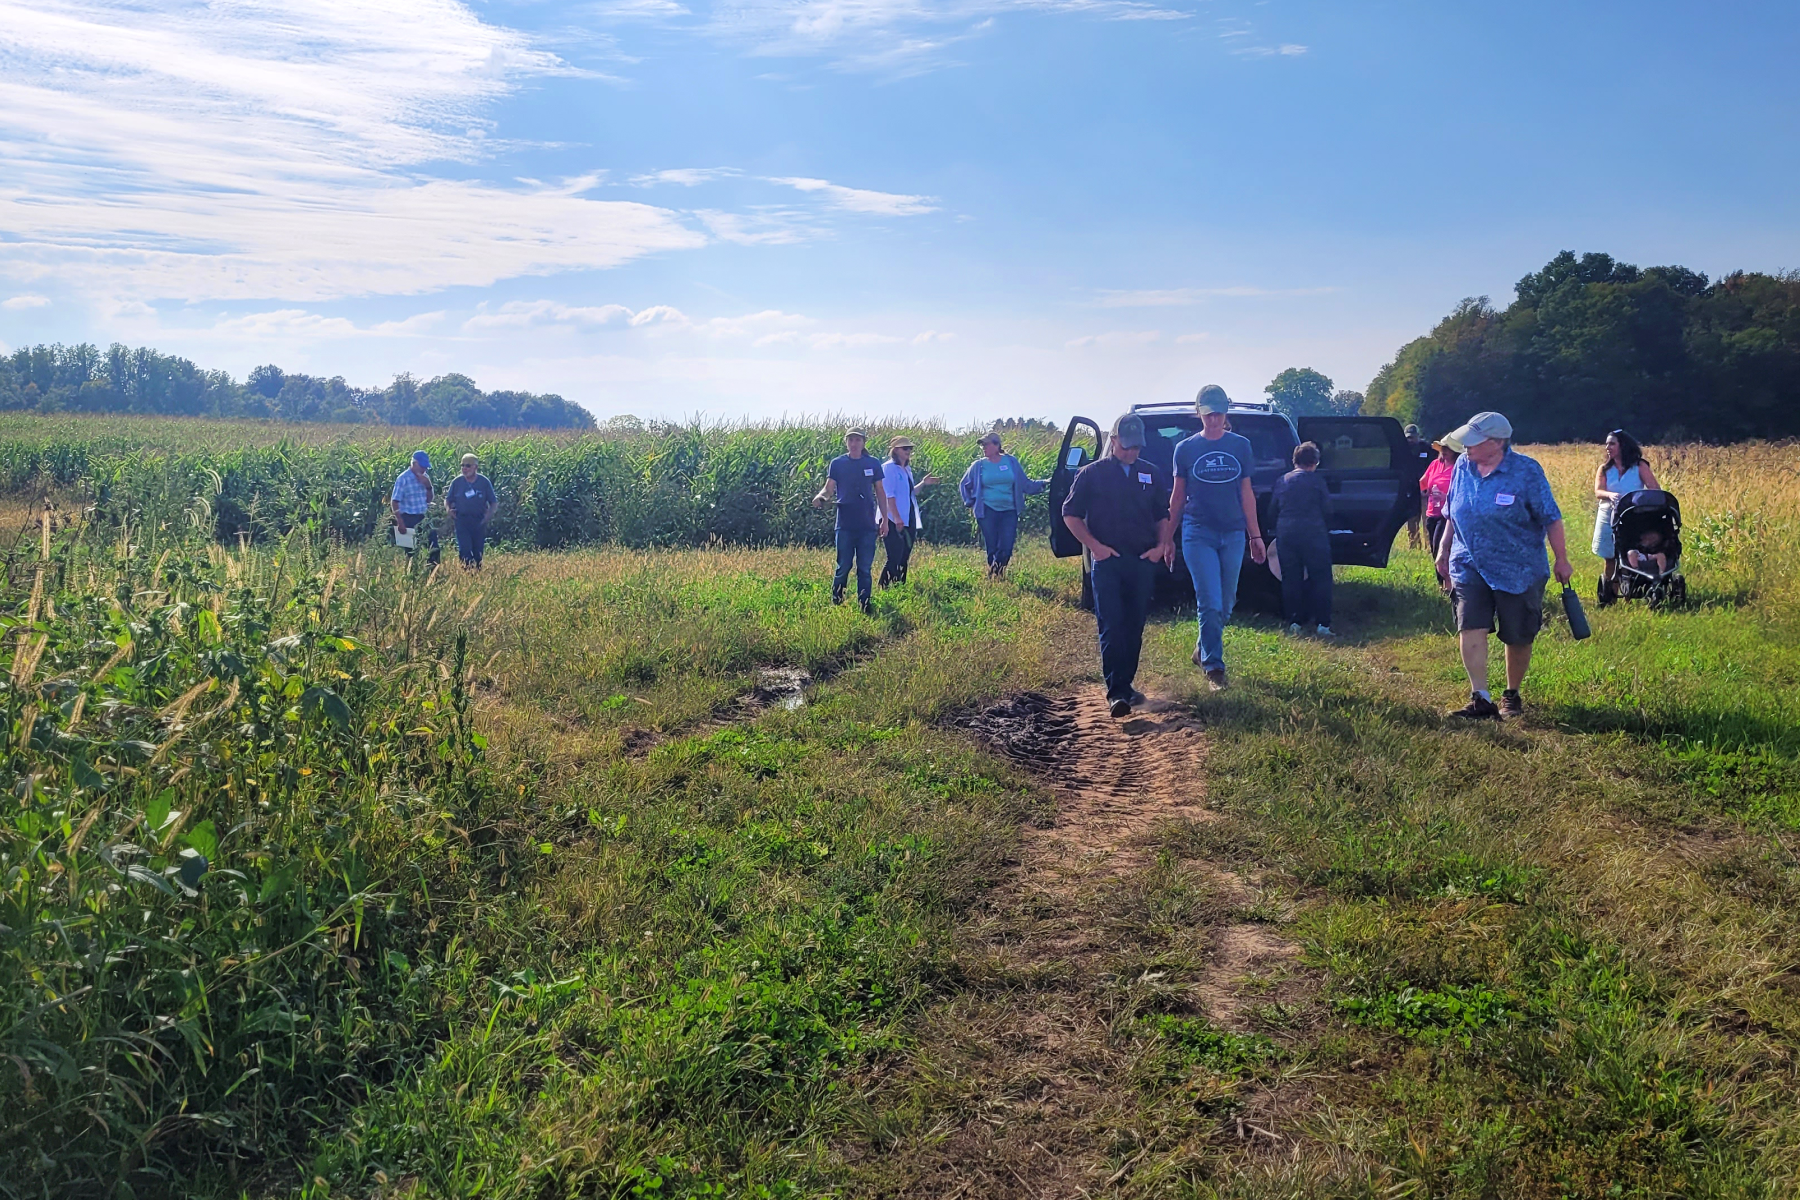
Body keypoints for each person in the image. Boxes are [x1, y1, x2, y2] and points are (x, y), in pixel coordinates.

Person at [1434, 411, 1573, 720]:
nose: (1466, 447)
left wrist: (1562, 558)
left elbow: (1551, 517)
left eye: (1474, 441)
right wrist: (1443, 551)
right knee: (1469, 624)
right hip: (1468, 562)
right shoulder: (1462, 468)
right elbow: (1452, 514)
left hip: (1518, 567)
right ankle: (1480, 698)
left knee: (1518, 634)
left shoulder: (1526, 472)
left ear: (1496, 443)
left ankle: (1511, 694)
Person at [1061, 414, 1172, 719]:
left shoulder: (1151, 473)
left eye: (1136, 448)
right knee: (1111, 625)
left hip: (1141, 561)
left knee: (1134, 626)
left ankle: (1126, 684)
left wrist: (1160, 547)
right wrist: (1095, 546)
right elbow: (1070, 514)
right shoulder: (1091, 474)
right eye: (1126, 447)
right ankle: (1116, 694)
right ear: (1113, 441)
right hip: (1108, 562)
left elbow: (1162, 514)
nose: (1131, 453)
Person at [1167, 385, 1266, 691]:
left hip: (1234, 532)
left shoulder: (1240, 446)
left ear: (1226, 414)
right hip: (1198, 532)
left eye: (1219, 414)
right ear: (1199, 414)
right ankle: (1214, 668)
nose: (1213, 420)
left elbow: (1246, 493)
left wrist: (1255, 535)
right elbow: (1178, 496)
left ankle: (1201, 649)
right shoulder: (1185, 449)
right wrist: (1168, 537)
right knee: (1209, 601)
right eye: (1208, 414)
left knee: (1226, 601)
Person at [813, 429, 888, 614]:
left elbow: (880, 492)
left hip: (867, 524)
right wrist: (821, 497)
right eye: (850, 440)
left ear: (863, 442)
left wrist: (884, 519)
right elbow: (829, 488)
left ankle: (865, 604)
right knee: (843, 565)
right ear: (846, 442)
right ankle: (837, 602)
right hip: (845, 524)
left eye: (857, 439)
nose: (854, 443)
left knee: (864, 567)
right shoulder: (838, 464)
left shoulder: (873, 463)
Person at [958, 432, 1046, 578]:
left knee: (1006, 545)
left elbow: (1025, 483)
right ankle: (996, 576)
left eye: (986, 444)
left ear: (996, 445)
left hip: (1009, 510)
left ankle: (995, 573)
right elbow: (964, 484)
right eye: (982, 445)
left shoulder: (1011, 462)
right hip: (987, 511)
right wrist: (970, 502)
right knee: (992, 545)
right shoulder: (978, 466)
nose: (983, 448)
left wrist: (1044, 483)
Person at [1270, 441, 1335, 637]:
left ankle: (1294, 621)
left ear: (1294, 461)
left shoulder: (1282, 480)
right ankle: (1322, 623)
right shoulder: (1317, 481)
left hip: (1286, 532)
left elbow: (1272, 509)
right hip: (1313, 532)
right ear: (1315, 462)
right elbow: (1328, 509)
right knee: (1321, 578)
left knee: (1290, 578)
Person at [1592, 429, 1660, 603]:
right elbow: (1598, 491)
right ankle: (1610, 595)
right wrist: (1610, 495)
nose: (1608, 447)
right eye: (1607, 444)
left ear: (1623, 446)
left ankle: (1630, 594)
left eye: (1612, 443)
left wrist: (1640, 500)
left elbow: (1654, 489)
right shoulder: (1605, 469)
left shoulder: (1639, 466)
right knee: (1610, 557)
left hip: (1633, 516)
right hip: (1609, 514)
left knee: (1630, 555)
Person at [879, 436, 939, 587]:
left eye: (910, 448)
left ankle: (899, 586)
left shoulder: (906, 469)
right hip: (893, 519)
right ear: (895, 450)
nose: (908, 451)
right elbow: (888, 496)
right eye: (905, 448)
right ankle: (883, 586)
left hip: (909, 517)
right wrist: (897, 518)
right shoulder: (888, 468)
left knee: (904, 555)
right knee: (894, 555)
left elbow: (910, 493)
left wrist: (923, 483)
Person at [445, 452, 498, 569]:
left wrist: (487, 516)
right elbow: (448, 500)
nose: (464, 468)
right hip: (462, 520)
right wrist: (449, 510)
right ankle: (467, 572)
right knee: (464, 549)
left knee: (478, 550)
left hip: (479, 521)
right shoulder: (457, 482)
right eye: (462, 465)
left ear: (475, 467)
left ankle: (477, 574)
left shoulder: (484, 482)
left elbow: (493, 502)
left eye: (468, 466)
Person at [389, 450, 440, 563]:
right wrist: (400, 522)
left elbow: (429, 499)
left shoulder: (426, 477)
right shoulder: (403, 478)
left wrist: (428, 486)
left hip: (423, 518)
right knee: (411, 553)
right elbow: (394, 501)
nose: (424, 469)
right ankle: (412, 576)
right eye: (422, 466)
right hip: (407, 518)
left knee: (434, 548)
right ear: (414, 463)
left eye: (426, 467)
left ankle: (433, 574)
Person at [1420, 435, 1461, 566]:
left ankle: (1447, 582)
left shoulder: (1459, 467)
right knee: (1433, 547)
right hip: (1432, 512)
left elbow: (1463, 491)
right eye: (1443, 447)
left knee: (1440, 547)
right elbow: (1423, 482)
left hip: (1448, 514)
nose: (1444, 450)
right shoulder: (1435, 464)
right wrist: (1423, 490)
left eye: (1448, 448)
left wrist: (1446, 496)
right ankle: (1442, 583)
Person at [1403, 423, 1433, 548]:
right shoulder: (1402, 449)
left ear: (1418, 436)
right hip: (1410, 488)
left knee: (1427, 517)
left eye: (1413, 437)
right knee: (1412, 518)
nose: (1411, 440)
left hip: (1426, 488)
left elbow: (1434, 465)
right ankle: (1414, 544)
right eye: (1408, 437)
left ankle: (1429, 545)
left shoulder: (1427, 448)